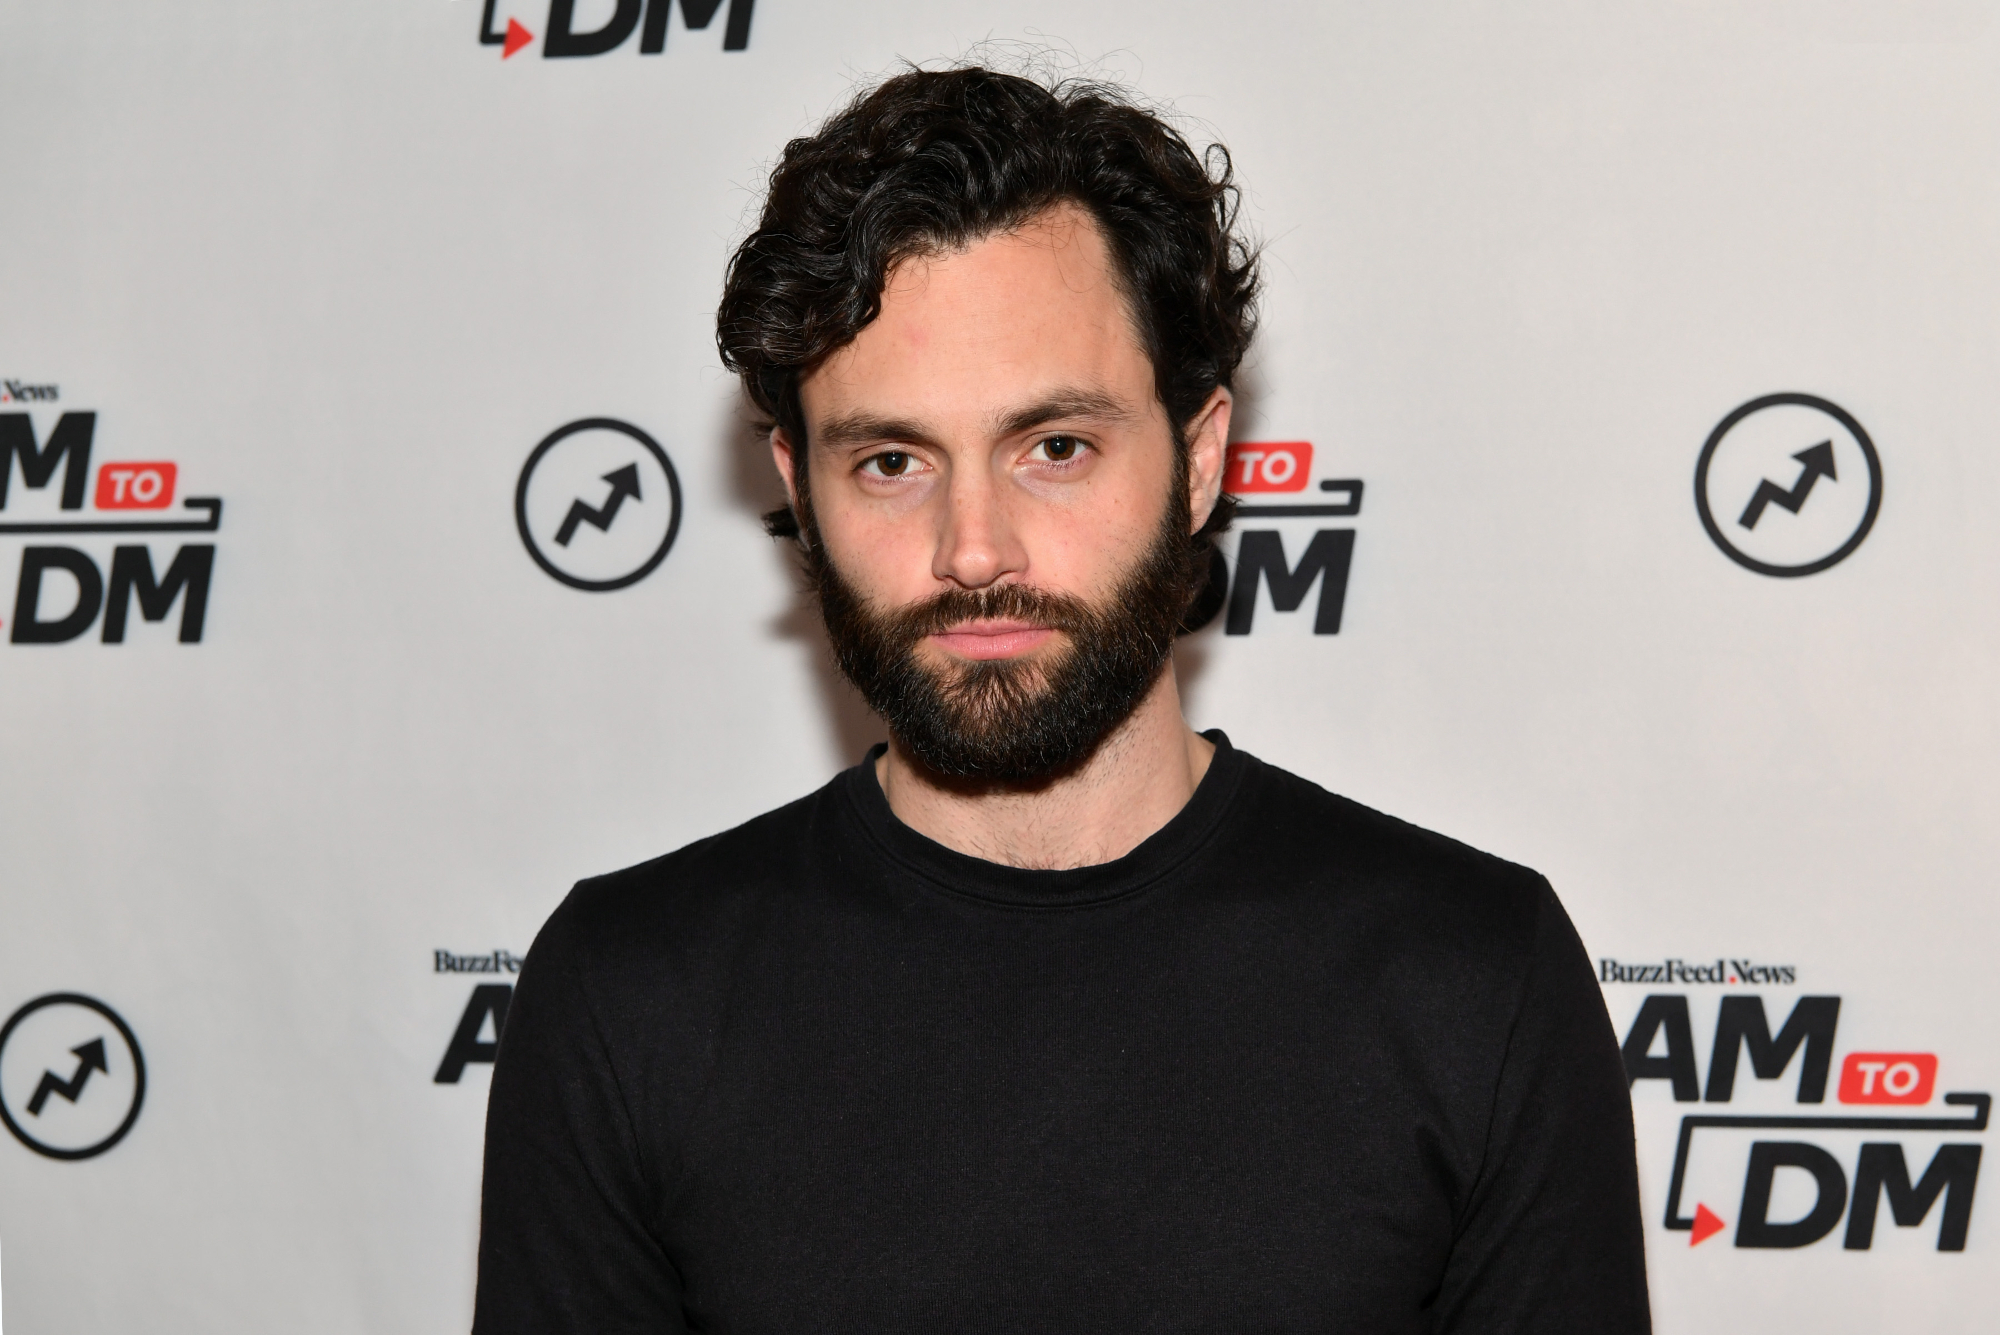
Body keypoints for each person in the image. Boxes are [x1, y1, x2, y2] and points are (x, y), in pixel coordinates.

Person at [473, 66, 1650, 1334]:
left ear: (1197, 460)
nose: (972, 548)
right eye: (888, 461)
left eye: (1055, 449)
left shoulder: (1471, 977)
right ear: (798, 488)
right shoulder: (628, 996)